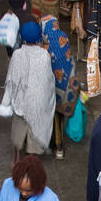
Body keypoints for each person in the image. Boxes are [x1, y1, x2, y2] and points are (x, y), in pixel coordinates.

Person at [0, 20, 56, 162]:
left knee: (18, 132)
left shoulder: (17, 55)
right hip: (38, 105)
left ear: (22, 37)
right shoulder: (44, 55)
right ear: (39, 38)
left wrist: (5, 103)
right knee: (35, 134)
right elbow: (48, 80)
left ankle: (16, 159)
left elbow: (11, 80)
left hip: (21, 104)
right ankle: (31, 161)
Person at [38, 11, 82, 161]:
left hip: (52, 88)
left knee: (54, 117)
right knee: (61, 117)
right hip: (68, 85)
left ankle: (58, 146)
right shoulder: (63, 37)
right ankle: (59, 145)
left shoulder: (44, 46)